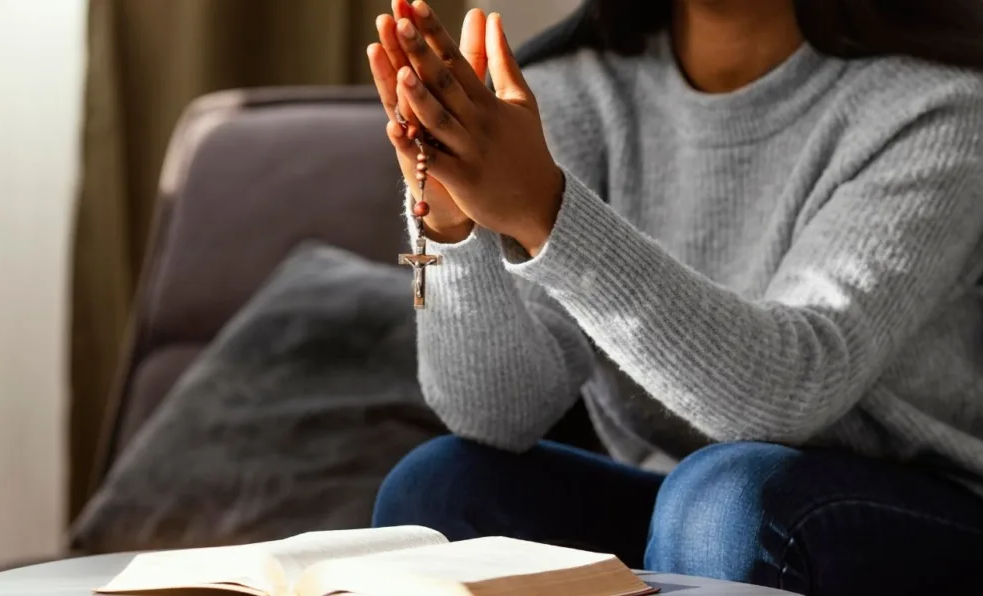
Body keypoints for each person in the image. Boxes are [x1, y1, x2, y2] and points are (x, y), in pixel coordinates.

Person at [365, 0, 983, 594]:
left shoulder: (936, 107)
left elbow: (792, 391)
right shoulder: (570, 93)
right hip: (689, 508)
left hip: (911, 510)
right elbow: (497, 416)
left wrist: (545, 213)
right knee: (437, 489)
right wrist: (450, 226)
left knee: (725, 502)